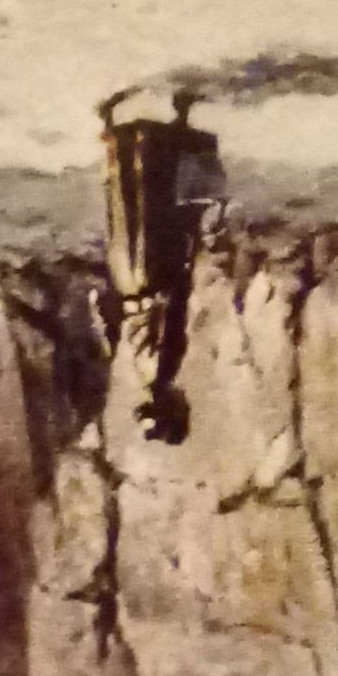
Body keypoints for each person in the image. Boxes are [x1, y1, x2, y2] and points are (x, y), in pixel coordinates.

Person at [98, 85, 217, 443]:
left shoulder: (162, 369)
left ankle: (147, 125)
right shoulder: (147, 374)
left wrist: (184, 273)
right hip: (131, 279)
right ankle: (118, 125)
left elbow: (172, 313)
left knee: (150, 203)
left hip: (150, 274)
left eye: (181, 409)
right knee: (128, 208)